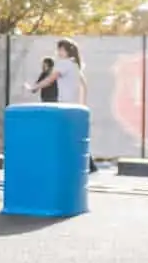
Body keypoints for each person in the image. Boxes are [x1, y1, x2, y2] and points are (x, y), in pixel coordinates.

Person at [27, 39, 97, 173]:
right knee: (74, 135)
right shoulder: (75, 65)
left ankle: (80, 164)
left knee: (59, 134)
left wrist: (34, 88)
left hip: (65, 105)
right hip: (74, 105)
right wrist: (82, 103)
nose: (58, 52)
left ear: (65, 51)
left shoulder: (64, 64)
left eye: (60, 49)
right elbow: (84, 85)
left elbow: (49, 80)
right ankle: (89, 164)